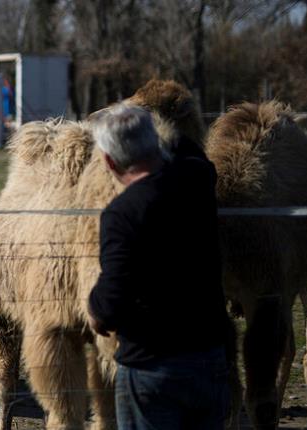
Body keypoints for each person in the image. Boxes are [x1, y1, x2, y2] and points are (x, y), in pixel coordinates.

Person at [87, 103, 231, 429]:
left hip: (151, 369)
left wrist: (94, 309)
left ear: (109, 161)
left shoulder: (121, 214)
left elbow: (110, 303)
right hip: (210, 358)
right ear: (155, 143)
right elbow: (192, 151)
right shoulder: (198, 180)